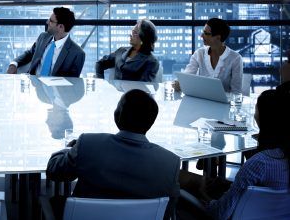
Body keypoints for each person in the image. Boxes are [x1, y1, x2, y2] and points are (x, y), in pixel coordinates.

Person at [46, 89, 180, 218]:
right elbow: (166, 211)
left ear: (117, 115)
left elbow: (54, 171)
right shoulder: (169, 163)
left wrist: (71, 149)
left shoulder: (89, 144)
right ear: (151, 122)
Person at [181, 89, 290, 219]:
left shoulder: (259, 163)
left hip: (225, 214)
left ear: (262, 117)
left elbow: (220, 213)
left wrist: (203, 194)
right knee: (213, 183)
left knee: (181, 182)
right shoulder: (280, 158)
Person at [6, 7, 85, 77]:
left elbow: (72, 83)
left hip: (55, 92)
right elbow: (29, 54)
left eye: (51, 21)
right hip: (33, 86)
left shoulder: (77, 54)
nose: (47, 22)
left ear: (60, 27)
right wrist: (14, 64)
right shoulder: (43, 37)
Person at [174, 18, 242, 93]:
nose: (201, 36)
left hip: (224, 103)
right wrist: (180, 83)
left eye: (206, 33)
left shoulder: (235, 58)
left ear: (218, 37)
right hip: (201, 101)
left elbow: (236, 92)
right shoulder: (199, 54)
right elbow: (186, 78)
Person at [95, 19, 160, 82]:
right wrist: (101, 82)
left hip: (133, 93)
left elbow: (142, 88)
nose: (130, 35)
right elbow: (100, 64)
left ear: (142, 38)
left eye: (134, 32)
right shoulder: (121, 51)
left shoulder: (151, 61)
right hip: (114, 92)